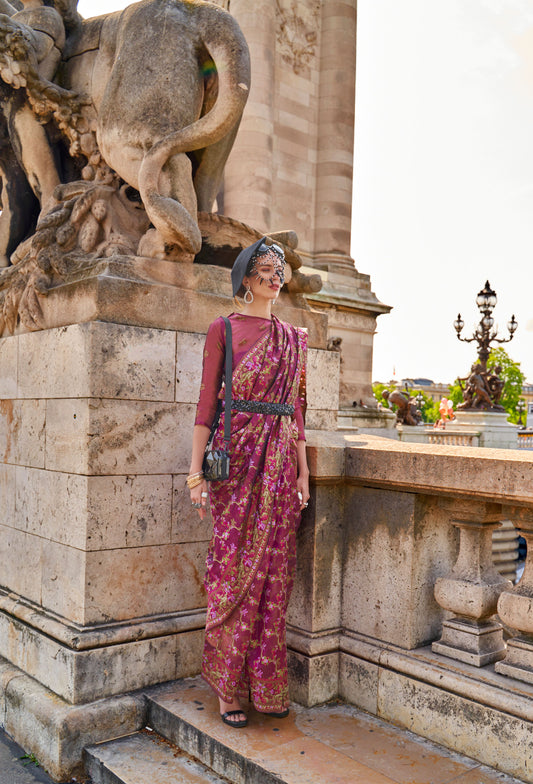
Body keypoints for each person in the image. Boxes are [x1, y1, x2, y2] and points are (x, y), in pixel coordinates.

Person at [187, 237, 310, 728]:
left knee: (276, 576)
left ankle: (267, 684)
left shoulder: (294, 338)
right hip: (236, 460)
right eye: (264, 269)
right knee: (233, 570)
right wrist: (195, 472)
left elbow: (297, 411)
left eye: (279, 270)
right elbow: (205, 405)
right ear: (245, 277)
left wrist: (303, 469)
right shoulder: (223, 329)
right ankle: (228, 688)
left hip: (280, 462)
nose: (274, 277)